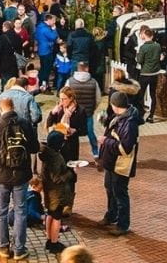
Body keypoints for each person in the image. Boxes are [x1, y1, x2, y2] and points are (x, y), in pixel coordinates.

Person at [0, 95, 39, 259]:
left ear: (1, 109)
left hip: (1, 175)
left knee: (1, 211)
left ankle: (2, 247)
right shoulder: (24, 123)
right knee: (20, 211)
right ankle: (19, 249)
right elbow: (34, 147)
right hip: (21, 174)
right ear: (13, 107)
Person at [97, 91, 141, 235]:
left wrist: (106, 141)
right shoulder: (120, 118)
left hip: (121, 165)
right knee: (109, 188)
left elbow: (125, 148)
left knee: (120, 193)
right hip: (111, 162)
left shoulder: (129, 123)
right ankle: (111, 215)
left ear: (115, 105)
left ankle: (123, 225)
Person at [39, 131, 77, 253]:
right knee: (56, 217)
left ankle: (49, 239)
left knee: (50, 214)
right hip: (56, 193)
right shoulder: (55, 157)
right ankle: (54, 243)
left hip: (49, 191)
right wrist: (70, 172)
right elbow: (57, 178)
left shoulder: (46, 154)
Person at [64, 61, 102, 158]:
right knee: (90, 132)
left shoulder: (70, 81)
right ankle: (95, 152)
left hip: (73, 112)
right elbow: (98, 98)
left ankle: (69, 153)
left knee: (69, 132)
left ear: (77, 69)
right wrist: (93, 108)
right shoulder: (94, 82)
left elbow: (65, 95)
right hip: (88, 112)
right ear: (87, 69)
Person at [47, 87, 89, 163]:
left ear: (71, 98)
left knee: (70, 169)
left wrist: (74, 131)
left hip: (71, 145)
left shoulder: (80, 111)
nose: (61, 101)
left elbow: (84, 131)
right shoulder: (59, 109)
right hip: (57, 144)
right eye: (60, 99)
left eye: (64, 99)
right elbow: (49, 124)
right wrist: (52, 113)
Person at [134, 25, 163, 122]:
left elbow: (139, 60)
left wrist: (137, 54)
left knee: (141, 94)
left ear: (145, 35)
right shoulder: (157, 46)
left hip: (145, 73)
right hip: (155, 73)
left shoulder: (143, 47)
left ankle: (141, 114)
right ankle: (151, 115)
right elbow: (160, 57)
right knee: (152, 94)